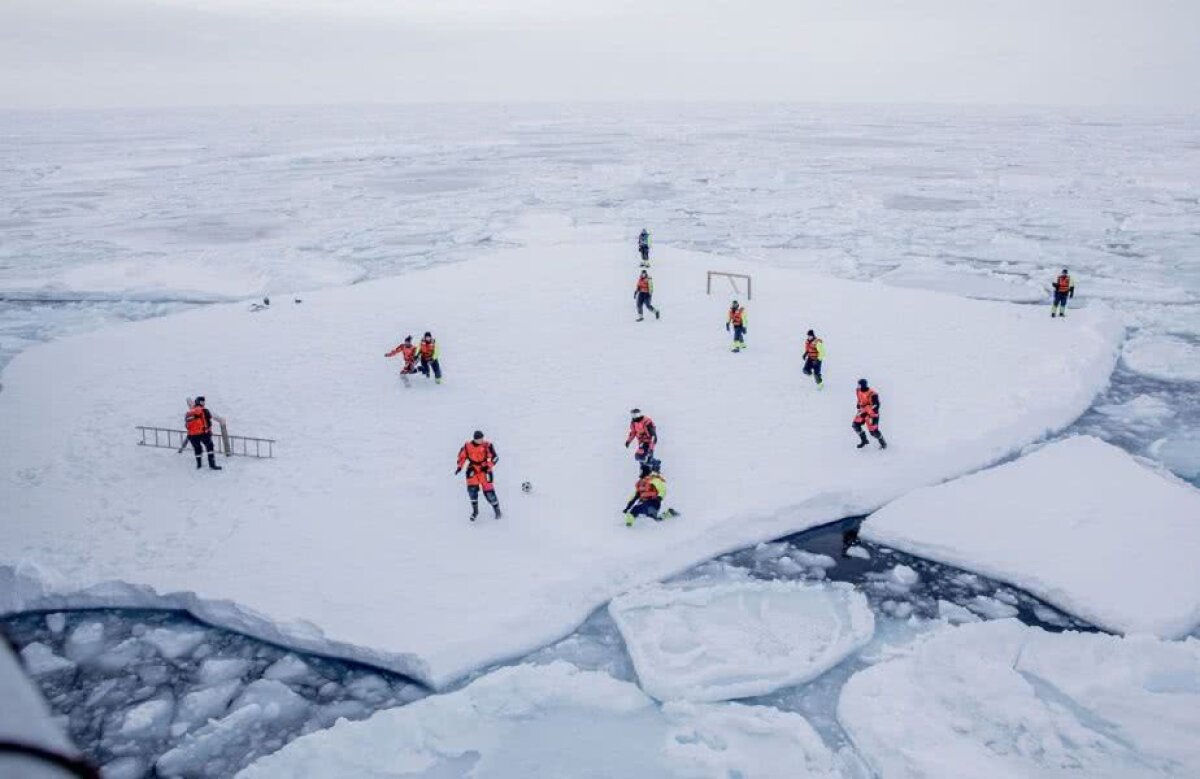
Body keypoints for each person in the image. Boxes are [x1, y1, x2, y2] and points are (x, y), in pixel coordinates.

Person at [456, 431, 501, 520]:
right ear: (475, 439)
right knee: (472, 491)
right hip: (472, 470)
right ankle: (475, 511)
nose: (481, 440)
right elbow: (462, 457)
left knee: (489, 492)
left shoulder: (487, 445)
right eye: (479, 439)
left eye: (482, 438)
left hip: (485, 470)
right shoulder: (467, 446)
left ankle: (497, 510)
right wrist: (459, 467)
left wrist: (488, 466)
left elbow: (495, 458)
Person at [623, 462, 669, 527]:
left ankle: (629, 525)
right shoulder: (640, 483)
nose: (640, 472)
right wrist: (628, 506)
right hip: (643, 503)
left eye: (641, 471)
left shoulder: (654, 480)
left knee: (637, 509)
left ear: (645, 471)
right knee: (635, 511)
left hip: (653, 503)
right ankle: (629, 523)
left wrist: (659, 497)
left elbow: (662, 489)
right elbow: (635, 496)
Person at [184, 396, 223, 471]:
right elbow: (211, 420)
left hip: (192, 436)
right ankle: (212, 465)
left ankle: (199, 465)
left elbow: (186, 425)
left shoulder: (189, 412)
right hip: (203, 434)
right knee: (209, 447)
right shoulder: (204, 410)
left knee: (197, 448)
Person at [852, 379, 887, 450]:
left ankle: (883, 442)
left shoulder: (872, 394)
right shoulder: (858, 391)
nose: (858, 386)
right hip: (863, 411)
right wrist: (858, 405)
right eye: (858, 385)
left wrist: (866, 411)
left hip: (872, 414)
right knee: (855, 425)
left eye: (859, 385)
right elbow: (859, 399)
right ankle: (864, 440)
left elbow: (876, 406)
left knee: (873, 431)